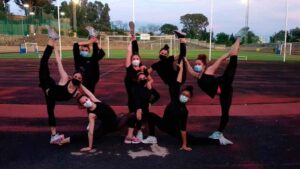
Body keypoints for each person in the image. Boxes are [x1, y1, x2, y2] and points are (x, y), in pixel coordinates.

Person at [184, 27, 248, 142]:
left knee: (233, 59)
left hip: (224, 82)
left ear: (203, 65)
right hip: (226, 92)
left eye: (198, 64)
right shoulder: (197, 75)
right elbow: (189, 69)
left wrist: (229, 53)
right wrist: (185, 60)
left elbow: (221, 59)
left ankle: (238, 37)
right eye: (195, 64)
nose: (196, 65)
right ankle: (219, 132)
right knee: (225, 113)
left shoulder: (209, 70)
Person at [39, 27, 97, 144]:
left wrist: (93, 106)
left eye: (79, 78)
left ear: (81, 81)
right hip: (48, 85)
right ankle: (52, 39)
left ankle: (54, 135)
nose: (77, 78)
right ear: (73, 75)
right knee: (43, 62)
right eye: (76, 76)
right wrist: (55, 47)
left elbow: (86, 98)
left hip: (51, 95)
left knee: (50, 111)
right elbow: (59, 62)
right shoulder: (65, 77)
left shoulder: (76, 92)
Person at [144, 85, 232, 151]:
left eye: (186, 96)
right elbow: (176, 82)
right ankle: (152, 137)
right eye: (183, 94)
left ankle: (218, 141)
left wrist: (184, 144)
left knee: (194, 140)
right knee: (150, 115)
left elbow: (183, 129)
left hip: (174, 130)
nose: (184, 96)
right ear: (179, 94)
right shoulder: (174, 100)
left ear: (189, 99)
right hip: (163, 124)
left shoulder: (184, 111)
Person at [123, 21, 152, 143]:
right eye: (133, 58)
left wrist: (149, 80)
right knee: (133, 114)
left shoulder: (143, 69)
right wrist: (132, 37)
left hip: (143, 96)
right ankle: (129, 136)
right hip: (133, 97)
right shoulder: (129, 69)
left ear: (140, 60)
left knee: (142, 115)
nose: (135, 59)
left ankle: (138, 132)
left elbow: (150, 80)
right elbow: (131, 52)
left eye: (137, 58)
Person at [147, 31, 187, 103]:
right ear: (159, 53)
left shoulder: (169, 59)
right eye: (162, 53)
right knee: (174, 99)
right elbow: (146, 73)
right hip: (172, 84)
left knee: (182, 56)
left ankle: (182, 39)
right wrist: (149, 80)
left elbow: (182, 54)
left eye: (165, 54)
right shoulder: (155, 65)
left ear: (167, 55)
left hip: (178, 77)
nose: (163, 54)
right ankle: (182, 38)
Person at [73, 26, 105, 94]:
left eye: (86, 50)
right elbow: (75, 45)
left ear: (89, 51)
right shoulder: (78, 59)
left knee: (90, 98)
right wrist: (89, 41)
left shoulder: (92, 59)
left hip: (92, 80)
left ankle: (92, 35)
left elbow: (102, 53)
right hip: (82, 81)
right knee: (81, 98)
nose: (84, 51)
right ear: (80, 51)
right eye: (82, 50)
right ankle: (92, 36)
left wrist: (96, 43)